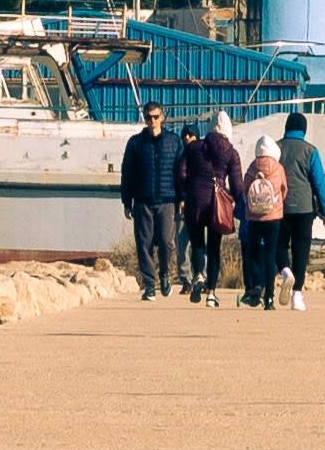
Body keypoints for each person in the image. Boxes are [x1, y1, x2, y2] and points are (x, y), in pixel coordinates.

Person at [117, 101, 181, 300]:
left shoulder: (174, 141)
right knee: (143, 244)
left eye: (155, 116)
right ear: (144, 119)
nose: (152, 121)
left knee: (166, 242)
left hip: (167, 199)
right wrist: (127, 201)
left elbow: (181, 172)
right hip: (143, 199)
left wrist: (183, 197)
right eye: (148, 117)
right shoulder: (136, 143)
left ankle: (164, 274)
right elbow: (127, 173)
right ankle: (149, 284)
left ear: (162, 117)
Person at [179, 115, 240, 304]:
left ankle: (198, 275)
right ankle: (211, 293)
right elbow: (237, 184)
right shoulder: (231, 152)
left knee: (197, 244)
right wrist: (238, 203)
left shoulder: (193, 147)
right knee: (214, 248)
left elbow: (181, 172)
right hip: (218, 203)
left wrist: (184, 192)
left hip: (195, 200)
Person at [275, 110, 325, 311]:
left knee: (279, 245)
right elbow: (319, 182)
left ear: (286, 127)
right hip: (304, 208)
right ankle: (297, 295)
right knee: (301, 251)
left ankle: (285, 271)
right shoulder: (311, 151)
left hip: (279, 207)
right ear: (303, 130)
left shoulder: (276, 148)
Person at [238, 132, 289, 306]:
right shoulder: (278, 168)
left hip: (254, 218)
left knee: (252, 253)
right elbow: (284, 190)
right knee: (270, 254)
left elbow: (245, 191)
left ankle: (255, 287)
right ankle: (269, 298)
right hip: (273, 218)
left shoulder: (252, 167)